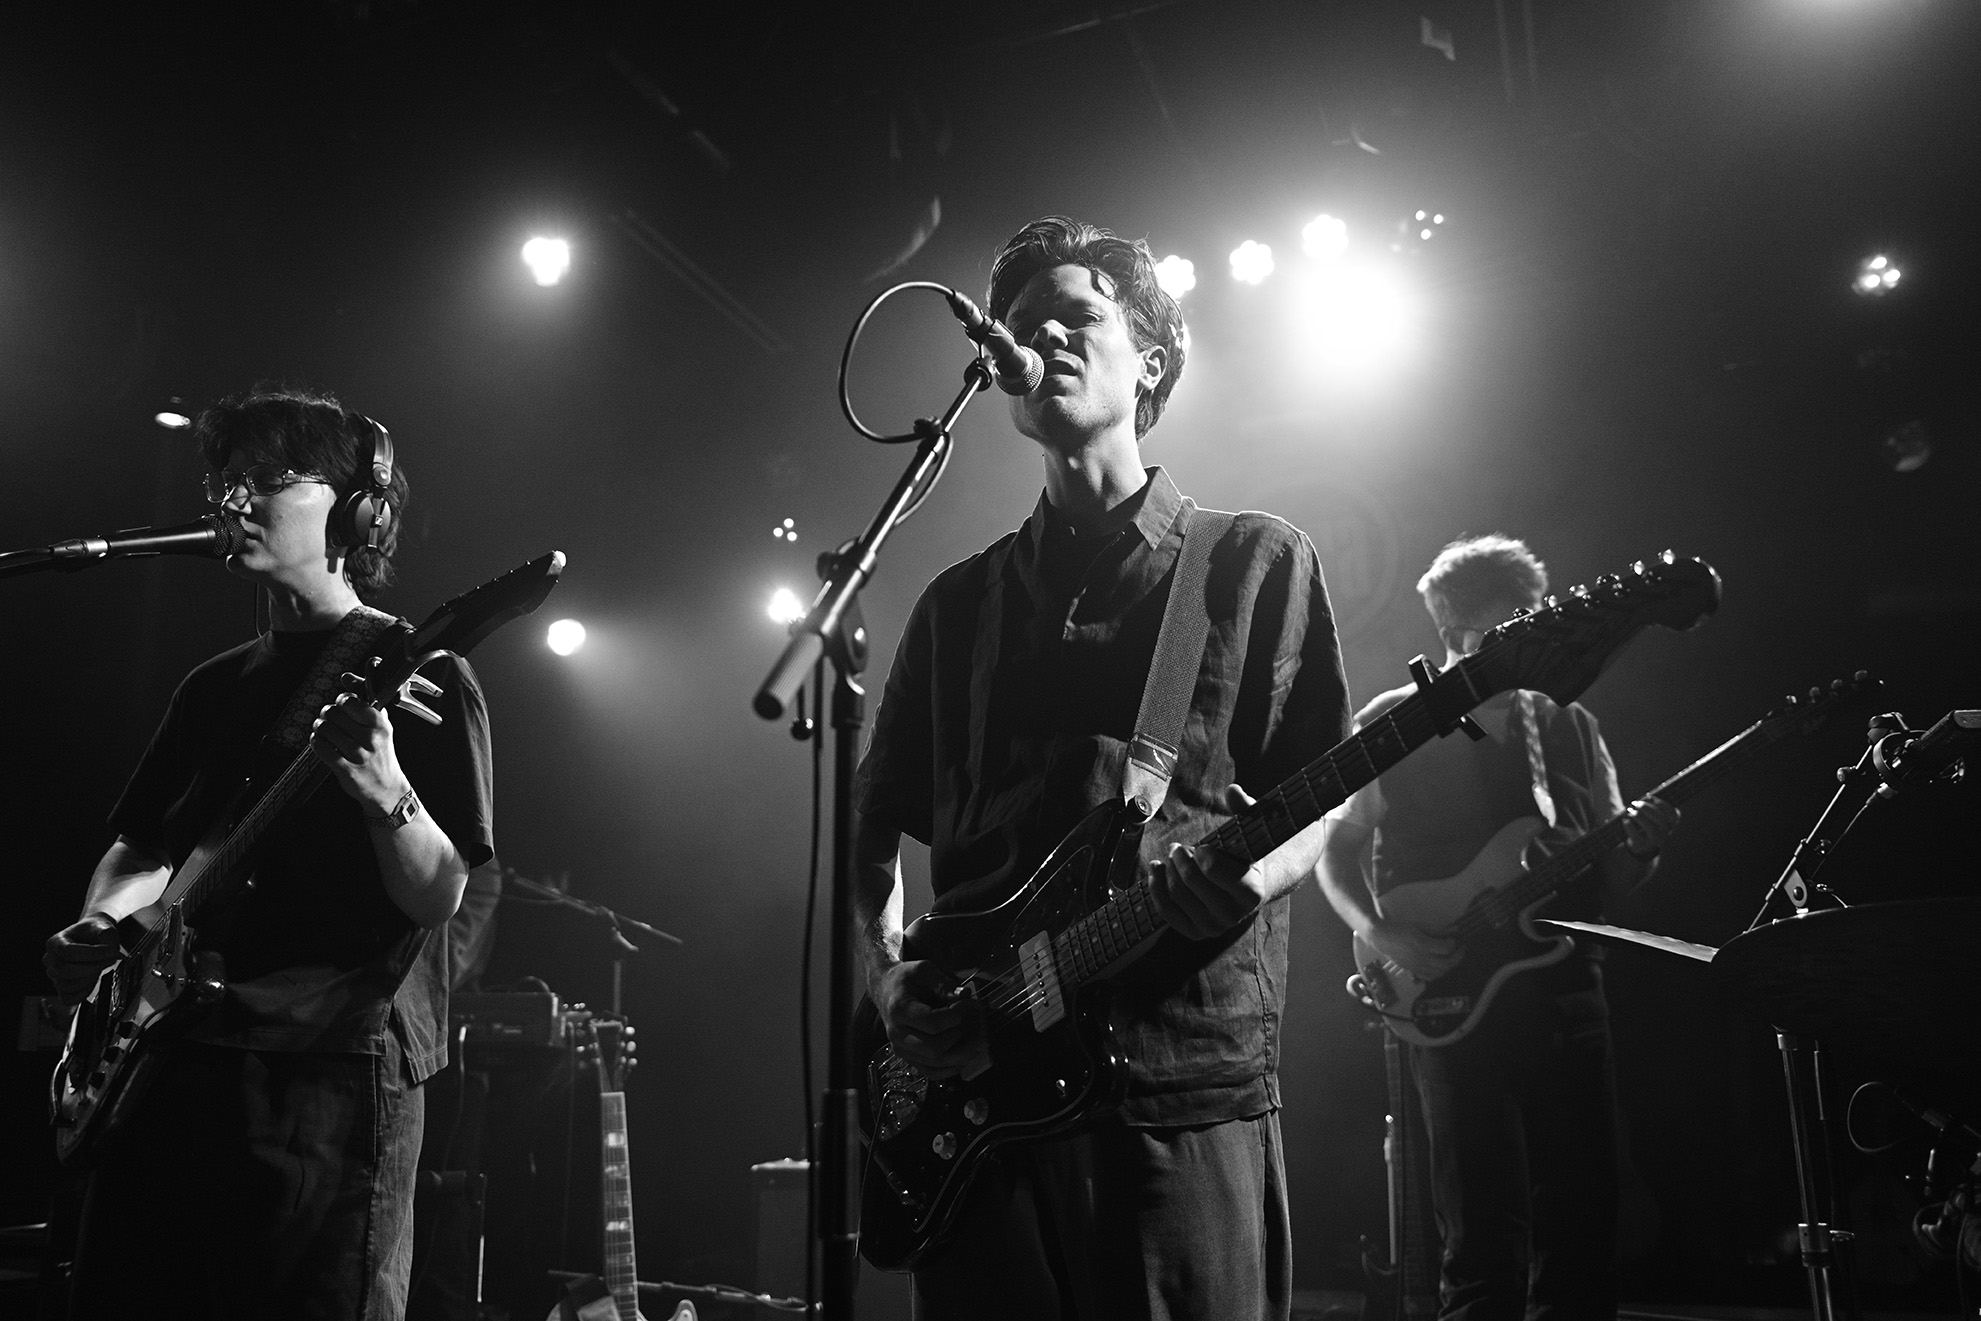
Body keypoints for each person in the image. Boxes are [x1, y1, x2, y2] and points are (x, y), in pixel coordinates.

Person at [852, 216, 1352, 1320]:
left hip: (1171, 1077)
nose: (1042, 336)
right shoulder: (955, 604)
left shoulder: (1250, 560)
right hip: (973, 1098)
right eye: (1023, 323)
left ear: (1151, 363)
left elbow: (1323, 788)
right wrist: (887, 978)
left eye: (1076, 317)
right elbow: (873, 823)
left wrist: (1252, 875)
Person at [42, 387, 495, 1320]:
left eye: (267, 479)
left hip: (326, 1078)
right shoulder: (211, 686)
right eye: (224, 480)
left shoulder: (426, 673)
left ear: (359, 511)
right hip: (170, 1061)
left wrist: (384, 788)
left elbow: (438, 895)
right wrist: (104, 923)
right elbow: (144, 843)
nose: (233, 500)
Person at [1315, 534, 1678, 1321]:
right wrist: (1381, 933)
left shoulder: (1569, 725)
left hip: (1568, 992)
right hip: (1450, 1001)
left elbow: (1616, 879)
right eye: (1519, 623)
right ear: (1460, 630)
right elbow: (1334, 855)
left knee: (1583, 1231)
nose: (1543, 639)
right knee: (1480, 1238)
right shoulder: (1393, 721)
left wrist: (1641, 849)